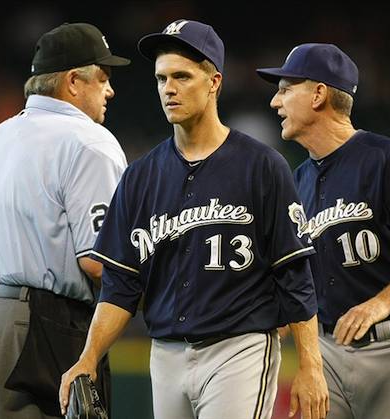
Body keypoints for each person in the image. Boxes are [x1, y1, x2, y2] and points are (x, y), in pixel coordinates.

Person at [59, 20, 329, 419]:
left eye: (182, 76)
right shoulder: (140, 176)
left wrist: (311, 365)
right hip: (165, 353)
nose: (169, 88)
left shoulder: (262, 166)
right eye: (161, 78)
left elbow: (293, 273)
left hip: (239, 348)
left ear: (214, 81)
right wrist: (88, 357)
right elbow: (120, 286)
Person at [256, 43, 390, 419]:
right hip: (327, 353)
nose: (275, 102)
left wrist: (382, 301)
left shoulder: (386, 159)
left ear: (318, 94)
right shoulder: (297, 181)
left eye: (285, 89)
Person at [0, 22, 130, 418]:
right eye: (103, 78)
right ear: (73, 82)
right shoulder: (89, 140)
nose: (110, 90)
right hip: (37, 328)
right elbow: (100, 261)